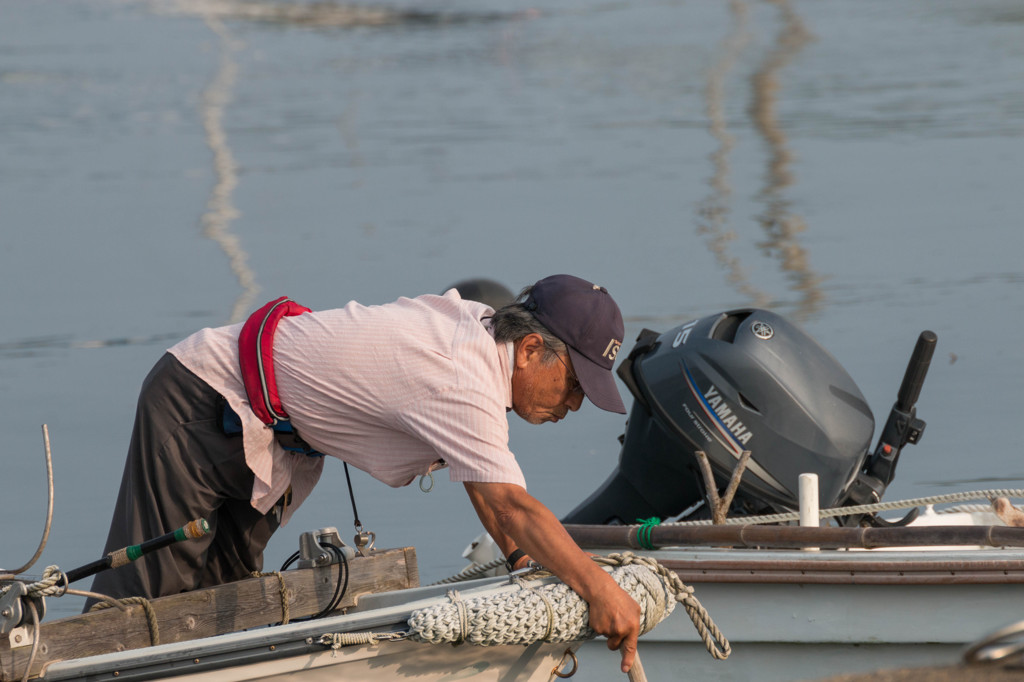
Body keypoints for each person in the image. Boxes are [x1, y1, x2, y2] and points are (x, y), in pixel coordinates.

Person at [89, 274, 642, 673]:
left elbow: (485, 488)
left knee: (228, 605)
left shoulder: (481, 337)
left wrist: (525, 565)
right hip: (203, 399)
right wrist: (598, 588)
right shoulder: (459, 375)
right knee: (139, 604)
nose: (573, 404)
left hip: (266, 433)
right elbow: (508, 504)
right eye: (574, 385)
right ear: (528, 350)